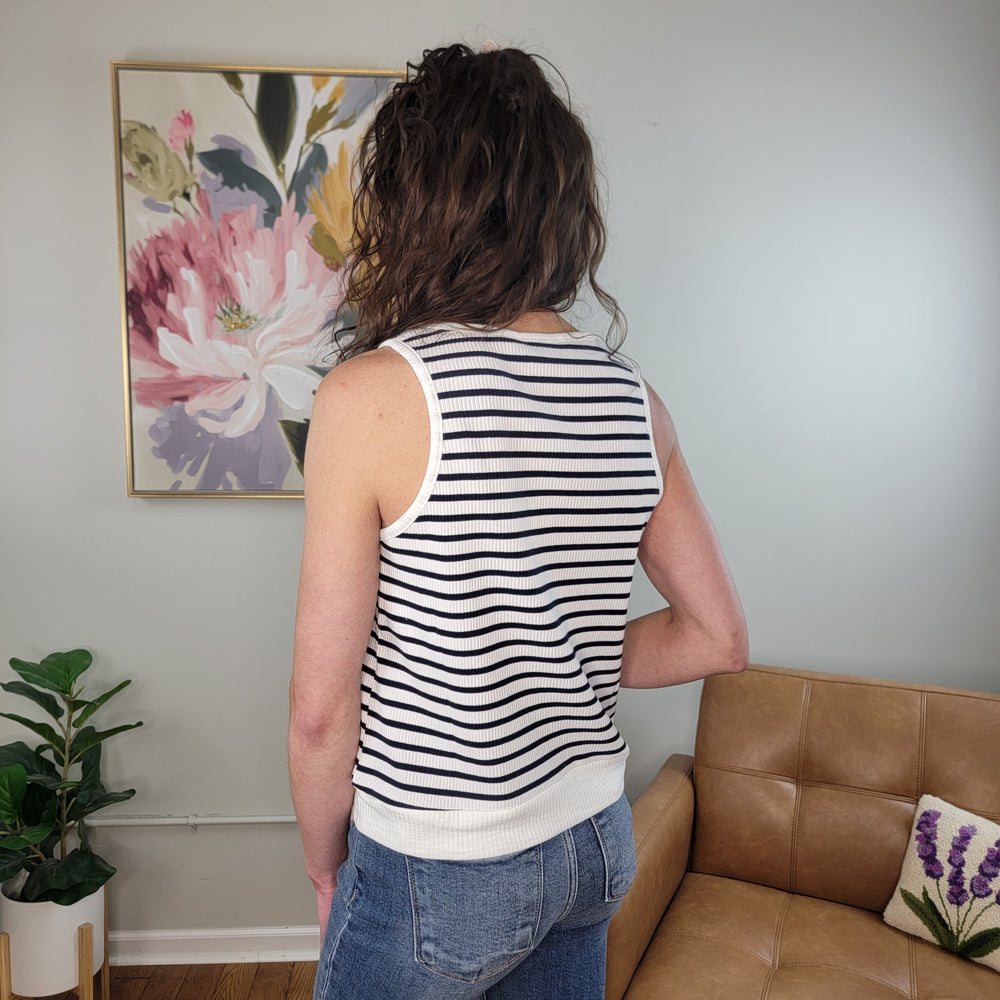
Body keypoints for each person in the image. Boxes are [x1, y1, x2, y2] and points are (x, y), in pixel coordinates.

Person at [289, 42, 748, 1000]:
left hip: (435, 863)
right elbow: (717, 636)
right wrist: (556, 652)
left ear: (407, 202)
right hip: (591, 843)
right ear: (560, 203)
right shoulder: (632, 397)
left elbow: (321, 711)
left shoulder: (372, 396)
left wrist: (327, 865)